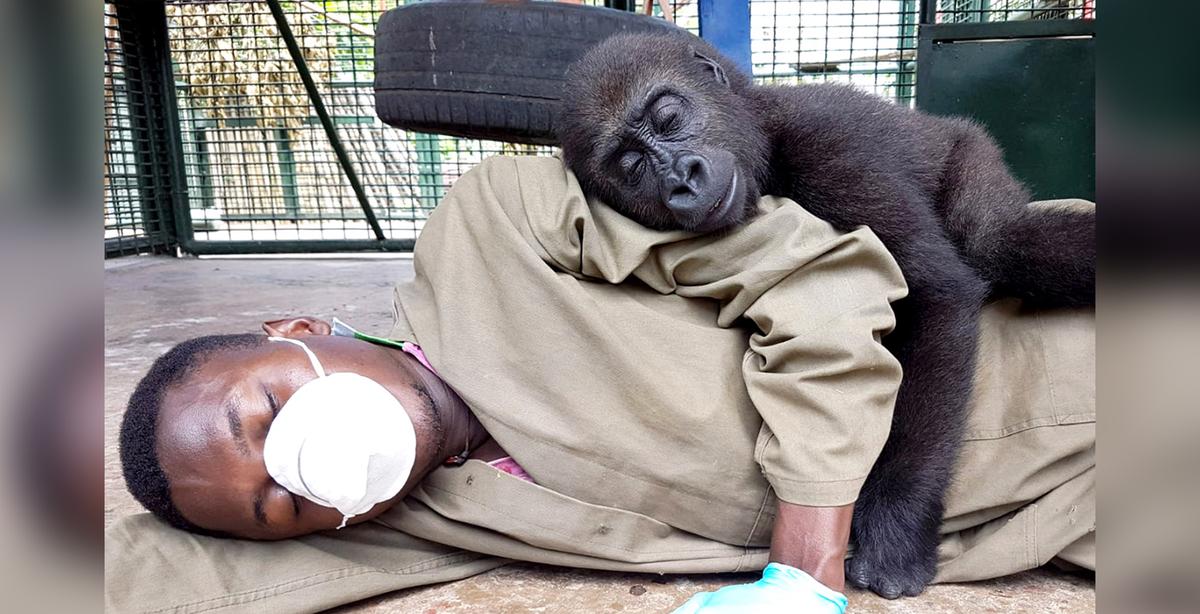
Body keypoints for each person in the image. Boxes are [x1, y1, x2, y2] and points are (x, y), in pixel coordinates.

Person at [105, 156, 1094, 613]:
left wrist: (805, 563)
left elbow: (821, 274)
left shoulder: (495, 226)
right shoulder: (408, 518)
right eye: (278, 503)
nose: (303, 463)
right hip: (1064, 508)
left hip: (1048, 351)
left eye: (269, 410)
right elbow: (141, 574)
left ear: (301, 330)